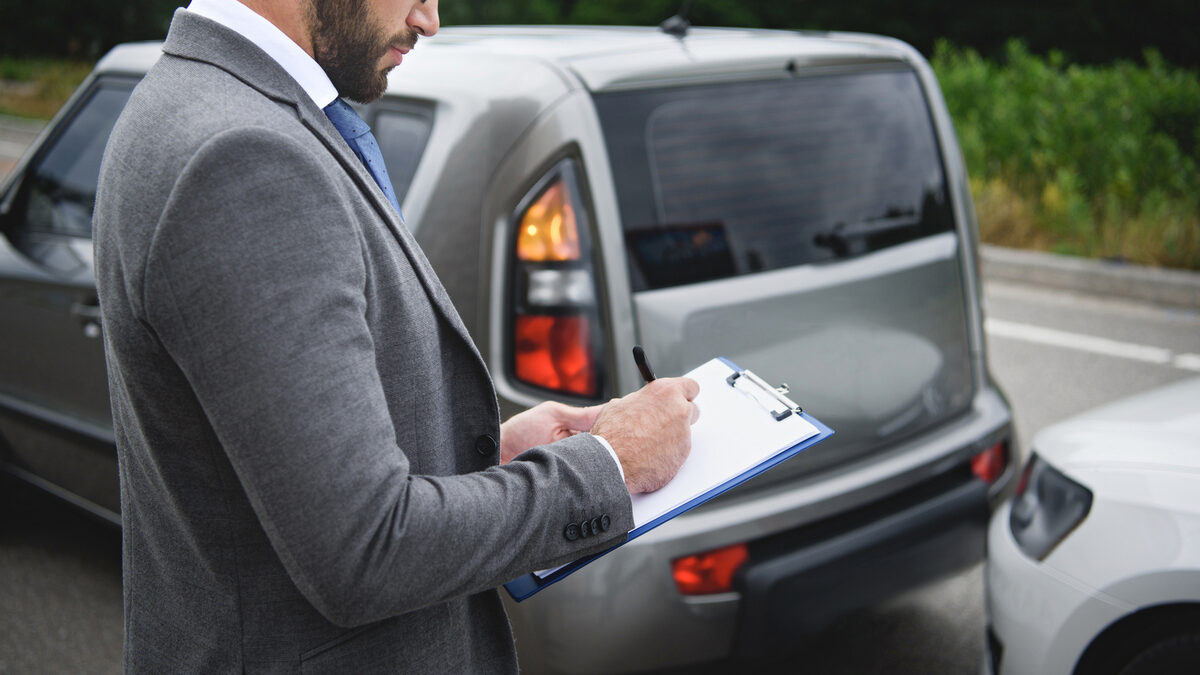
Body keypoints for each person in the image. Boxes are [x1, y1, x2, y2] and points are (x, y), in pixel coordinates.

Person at [92, 0, 700, 671]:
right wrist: (610, 464)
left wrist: (487, 453)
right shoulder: (244, 155)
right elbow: (365, 549)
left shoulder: (194, 99)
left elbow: (275, 468)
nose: (429, 17)